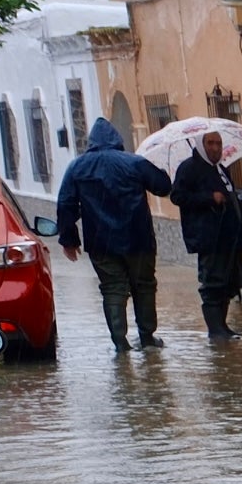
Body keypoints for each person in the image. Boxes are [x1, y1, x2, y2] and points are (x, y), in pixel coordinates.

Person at [52, 118, 174, 352]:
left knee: (112, 289)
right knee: (144, 286)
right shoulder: (135, 163)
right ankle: (147, 337)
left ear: (91, 142)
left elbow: (65, 204)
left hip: (101, 244)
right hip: (138, 239)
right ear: (117, 140)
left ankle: (120, 343)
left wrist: (69, 240)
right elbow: (163, 187)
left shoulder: (77, 167)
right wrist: (161, 169)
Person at [173, 129, 242, 342]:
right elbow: (177, 195)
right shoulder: (189, 168)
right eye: (210, 143)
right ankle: (215, 330)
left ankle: (223, 326)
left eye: (218, 143)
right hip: (207, 237)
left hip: (227, 236)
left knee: (227, 281)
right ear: (202, 145)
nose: (215, 148)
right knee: (212, 282)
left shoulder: (220, 169)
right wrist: (208, 198)